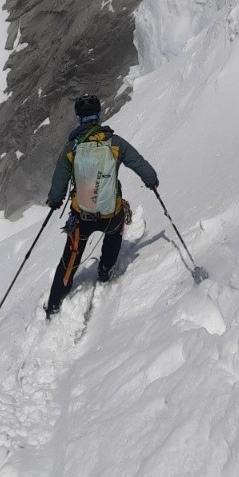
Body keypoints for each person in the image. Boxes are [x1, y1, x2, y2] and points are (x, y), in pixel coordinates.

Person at [44, 94, 159, 317]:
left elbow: (58, 187)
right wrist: (151, 180)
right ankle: (105, 270)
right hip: (110, 214)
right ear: (99, 116)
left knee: (70, 258)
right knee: (114, 234)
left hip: (81, 216)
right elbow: (139, 163)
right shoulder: (115, 143)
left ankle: (55, 303)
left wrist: (55, 200)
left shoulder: (71, 149)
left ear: (79, 118)